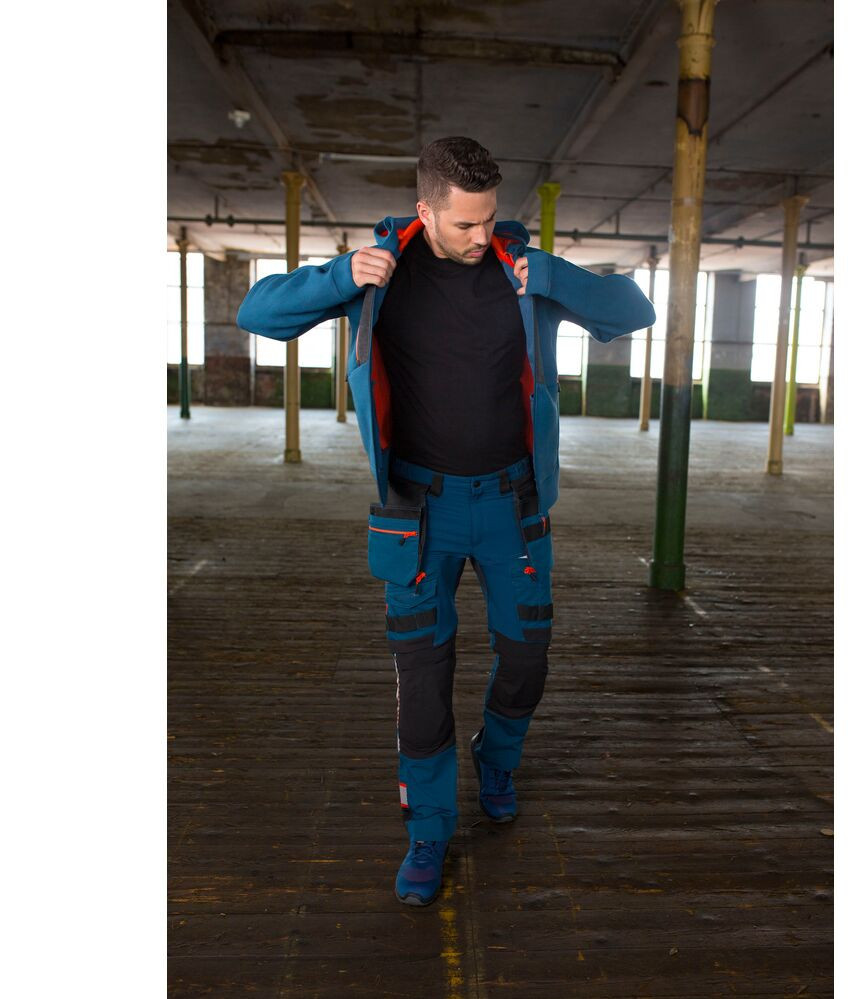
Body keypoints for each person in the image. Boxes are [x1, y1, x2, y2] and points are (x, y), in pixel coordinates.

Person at [237, 136, 655, 906]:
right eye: (465, 223)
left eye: (490, 218)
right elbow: (256, 313)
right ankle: (428, 830)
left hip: (511, 506)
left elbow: (634, 309)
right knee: (423, 681)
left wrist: (553, 273)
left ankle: (497, 760)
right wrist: (340, 274)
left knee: (526, 658)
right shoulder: (379, 276)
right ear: (425, 210)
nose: (480, 235)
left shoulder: (523, 272)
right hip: (418, 512)